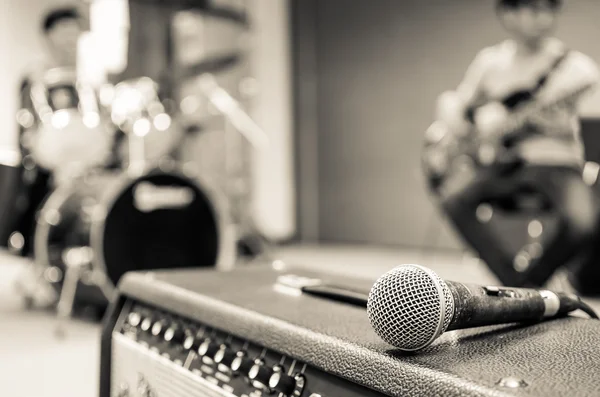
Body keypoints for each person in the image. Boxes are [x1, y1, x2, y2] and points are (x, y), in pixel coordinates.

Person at [424, 0, 600, 287]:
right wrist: (468, 127)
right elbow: (455, 106)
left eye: (549, 9)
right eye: (532, 9)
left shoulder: (578, 70)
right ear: (508, 14)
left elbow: (594, 128)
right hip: (507, 163)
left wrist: (560, 126)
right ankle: (514, 281)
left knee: (583, 222)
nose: (542, 18)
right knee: (454, 198)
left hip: (557, 164)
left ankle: (530, 282)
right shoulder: (490, 62)